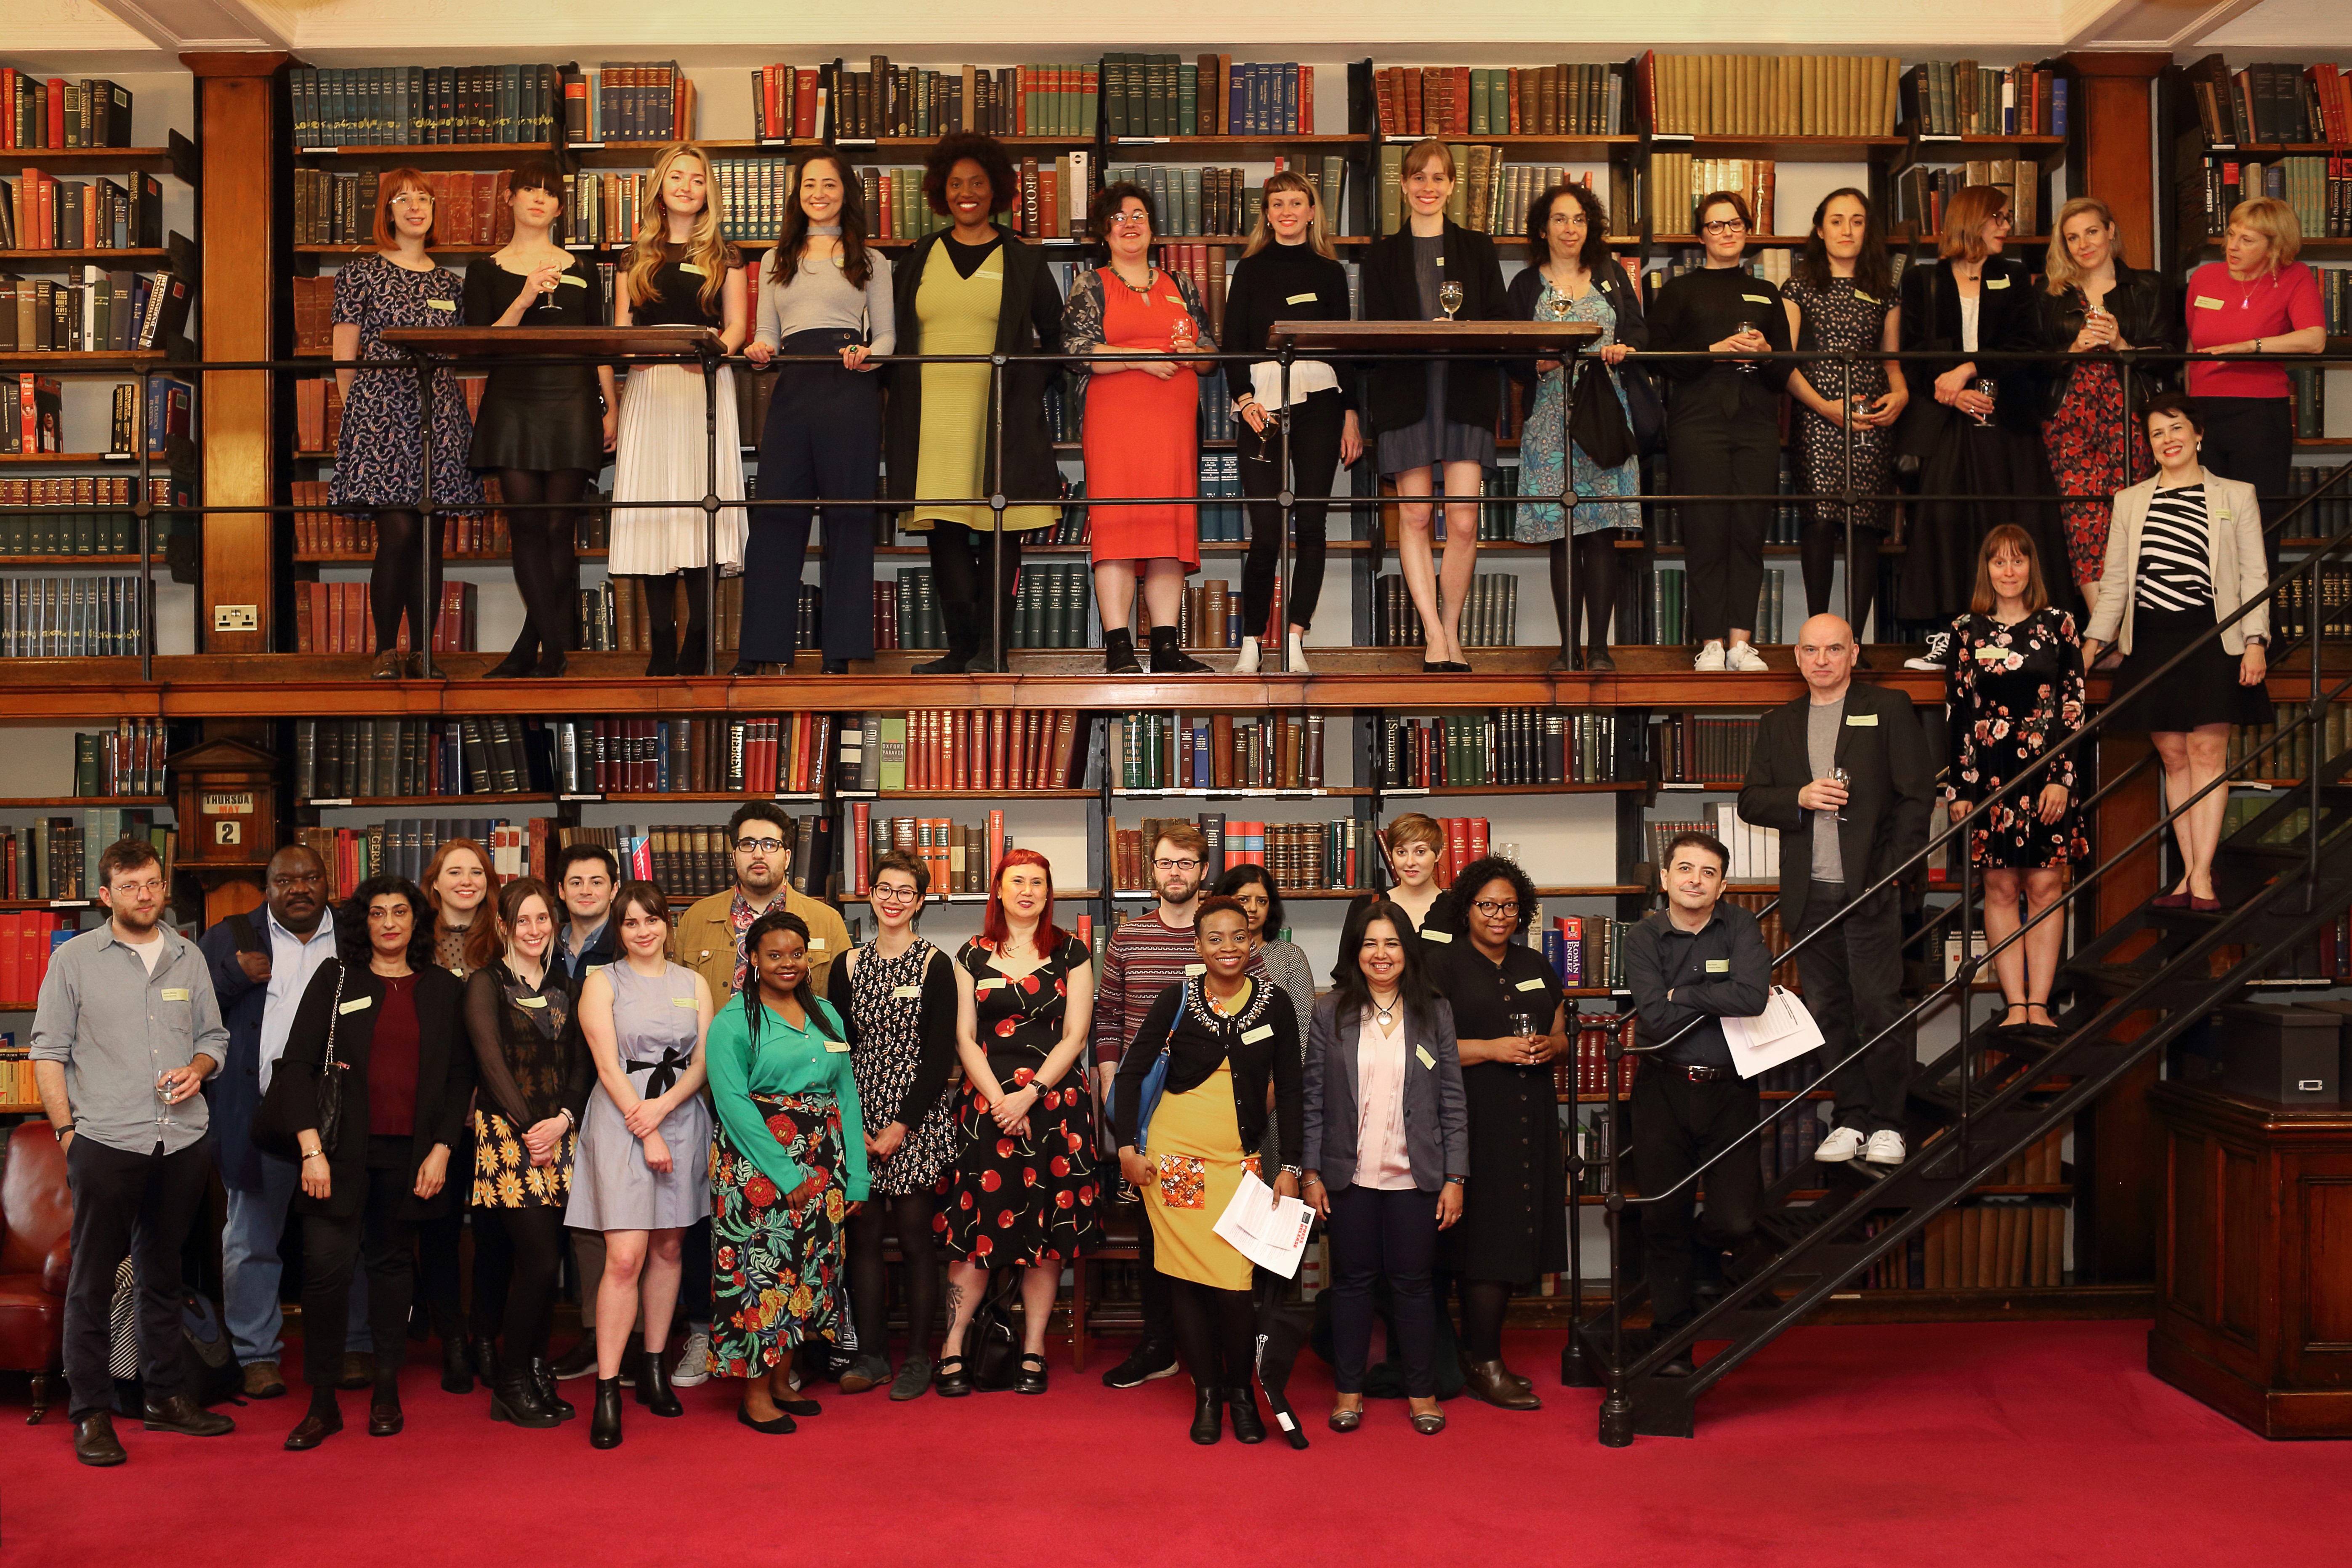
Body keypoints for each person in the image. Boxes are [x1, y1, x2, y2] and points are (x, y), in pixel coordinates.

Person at [31, 837, 235, 1467]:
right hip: (105, 1140)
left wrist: (201, 1067)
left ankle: (165, 1397)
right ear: (106, 895)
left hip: (181, 1140)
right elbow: (47, 1052)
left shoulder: (188, 956)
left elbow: (215, 1036)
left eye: (152, 884)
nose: (144, 896)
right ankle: (91, 1411)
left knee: (163, 1274)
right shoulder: (75, 962)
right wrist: (68, 1135)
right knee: (92, 1281)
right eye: (130, 887)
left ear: (162, 886)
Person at [273, 876, 472, 1450]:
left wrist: (441, 1149)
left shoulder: (442, 989)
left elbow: (460, 1078)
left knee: (391, 1271)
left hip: (409, 1157)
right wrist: (310, 1149)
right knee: (326, 1271)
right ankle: (322, 1402)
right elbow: (295, 1068)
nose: (389, 922)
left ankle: (386, 1389)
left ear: (416, 921)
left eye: (400, 912)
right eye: (378, 913)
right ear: (365, 922)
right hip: (333, 1157)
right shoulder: (336, 980)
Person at [1739, 614, 1934, 1165]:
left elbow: (1916, 798)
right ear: (1797, 657)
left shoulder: (1889, 707)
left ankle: (1889, 1123)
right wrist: (1798, 797)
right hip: (1809, 894)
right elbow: (1751, 800)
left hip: (1870, 889)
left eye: (1833, 649)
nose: (1821, 660)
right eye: (1810, 650)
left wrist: (1890, 872)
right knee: (1829, 1012)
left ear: (1853, 653)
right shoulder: (1778, 723)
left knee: (1878, 1007)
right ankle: (1850, 1118)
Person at [668, 802, 848, 1390]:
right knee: (717, 1236)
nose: (759, 854)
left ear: (789, 854)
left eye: (771, 844)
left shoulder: (826, 919)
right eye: (747, 844)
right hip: (710, 1099)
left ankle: (783, 1357)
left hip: (805, 1110)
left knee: (794, 1247)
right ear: (733, 852)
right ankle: (706, 1334)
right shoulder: (695, 920)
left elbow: (837, 1022)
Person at [1113, 896, 1303, 1445]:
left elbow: (1291, 1090)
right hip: (1173, 1164)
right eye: (1214, 938)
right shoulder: (1177, 999)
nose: (1227, 948)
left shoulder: (1276, 1005)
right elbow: (1130, 1076)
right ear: (1197, 947)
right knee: (1190, 1282)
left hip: (1238, 1165)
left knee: (1235, 1284)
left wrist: (1289, 1165)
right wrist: (1127, 1147)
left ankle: (1240, 1391)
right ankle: (1207, 1395)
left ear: (1253, 942)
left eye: (1238, 937)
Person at [884, 132, 1065, 675]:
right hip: (932, 421)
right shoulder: (918, 257)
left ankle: (993, 650)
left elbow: (1055, 338)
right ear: (942, 191)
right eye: (956, 184)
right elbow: (893, 335)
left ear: (996, 190)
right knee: (944, 534)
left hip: (998, 421)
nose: (967, 193)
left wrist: (1025, 391)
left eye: (978, 183)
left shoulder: (1023, 260)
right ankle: (961, 647)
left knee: (999, 529)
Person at [2083, 394, 2272, 910]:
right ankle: (2189, 877)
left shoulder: (2236, 494)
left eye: (2175, 428)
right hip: (2151, 639)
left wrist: (2255, 641)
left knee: (2207, 754)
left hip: (2215, 637)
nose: (2167, 440)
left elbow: (2254, 574)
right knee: (2172, 757)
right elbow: (2117, 582)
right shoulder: (2130, 500)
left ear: (2197, 434)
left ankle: (2199, 876)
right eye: (2156, 434)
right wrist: (2090, 644)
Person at [1093, 824, 1264, 1391]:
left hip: (1218, 1123)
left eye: (1186, 864)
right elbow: (1109, 1025)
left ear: (1202, 871)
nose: (1175, 873)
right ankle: (1161, 1345)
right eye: (1166, 864)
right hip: (1150, 1120)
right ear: (1152, 871)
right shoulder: (1128, 939)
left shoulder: (1230, 938)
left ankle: (1220, 1348)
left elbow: (1259, 1019)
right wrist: (1120, 1112)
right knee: (1158, 1236)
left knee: (1222, 1234)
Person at [201, 844, 373, 1400]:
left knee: (351, 1237)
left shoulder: (357, 936)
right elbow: (189, 1013)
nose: (299, 889)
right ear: (266, 886)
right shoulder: (231, 939)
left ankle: (354, 1345)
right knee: (251, 1239)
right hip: (259, 1118)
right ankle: (256, 1355)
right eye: (284, 880)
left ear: (329, 882)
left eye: (311, 878)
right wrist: (233, 976)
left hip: (343, 1116)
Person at [937, 850, 1101, 1397]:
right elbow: (964, 1037)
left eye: (1038, 882)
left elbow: (1076, 1035)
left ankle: (1033, 1347)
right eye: (1017, 882)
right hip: (985, 1110)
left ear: (1048, 891)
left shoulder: (1073, 952)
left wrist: (1028, 1095)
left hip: (1055, 1110)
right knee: (977, 1235)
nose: (1027, 890)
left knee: (1045, 1238)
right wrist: (999, 1102)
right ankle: (954, 1344)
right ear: (999, 891)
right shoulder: (970, 953)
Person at [1300, 898, 1465, 1436]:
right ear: (1355, 950)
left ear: (1406, 950)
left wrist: (1455, 1177)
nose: (1381, 953)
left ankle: (1422, 1393)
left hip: (1416, 1176)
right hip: (1348, 1176)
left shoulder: (1433, 1010)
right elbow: (1313, 1098)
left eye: (1391, 942)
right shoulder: (1331, 1011)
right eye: (1370, 943)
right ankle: (1348, 1391)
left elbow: (1451, 1099)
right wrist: (1310, 1171)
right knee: (1351, 1283)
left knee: (1414, 1286)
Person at [705, 910, 868, 1432]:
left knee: (807, 1272)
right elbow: (732, 1103)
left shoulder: (826, 1014)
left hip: (823, 1161)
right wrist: (784, 1174)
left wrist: (857, 1175)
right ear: (752, 959)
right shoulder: (733, 1019)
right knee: (762, 1275)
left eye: (796, 953)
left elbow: (847, 1096)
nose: (787, 963)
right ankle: (753, 1395)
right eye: (774, 954)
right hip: (757, 1169)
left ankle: (781, 1380)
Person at [565, 881, 712, 1448]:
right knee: (624, 1258)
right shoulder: (601, 982)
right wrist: (645, 1124)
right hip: (622, 1119)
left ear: (666, 924)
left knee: (669, 1248)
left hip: (680, 1113)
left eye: (652, 920)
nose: (644, 930)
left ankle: (655, 1367)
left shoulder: (693, 982)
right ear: (619, 931)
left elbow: (702, 1061)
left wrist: (667, 1110)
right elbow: (605, 1065)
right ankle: (607, 1387)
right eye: (631, 923)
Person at [1895, 184, 2069, 661]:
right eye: (1999, 218)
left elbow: (2027, 348)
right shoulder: (1922, 281)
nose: (2006, 227)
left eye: (2007, 219)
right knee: (1945, 522)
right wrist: (1950, 390)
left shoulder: (2013, 276)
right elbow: (1909, 351)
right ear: (1973, 219)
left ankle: (2017, 633)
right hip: (1945, 421)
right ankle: (1948, 636)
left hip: (2006, 420)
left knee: (2011, 524)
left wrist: (1969, 369)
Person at [1620, 831, 1773, 1375]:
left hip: (1730, 1089)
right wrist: (1713, 993)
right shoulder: (1641, 937)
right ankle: (1672, 1343)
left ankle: (1708, 1254)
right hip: (1662, 1090)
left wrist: (1679, 994)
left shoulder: (1742, 926)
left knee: (1736, 1219)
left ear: (1722, 885)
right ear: (1665, 879)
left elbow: (1752, 996)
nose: (1694, 879)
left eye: (1708, 872)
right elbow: (1654, 1023)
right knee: (1664, 1219)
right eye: (1684, 868)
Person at [740, 149, 894, 676]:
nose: (819, 193)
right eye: (809, 184)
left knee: (848, 517)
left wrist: (871, 355)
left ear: (845, 192)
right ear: (797, 194)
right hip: (792, 386)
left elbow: (889, 335)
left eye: (829, 183)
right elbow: (765, 331)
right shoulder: (773, 259)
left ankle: (840, 654)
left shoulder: (870, 258)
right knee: (775, 516)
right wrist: (759, 350)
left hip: (848, 383)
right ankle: (762, 651)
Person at [464, 157, 619, 680]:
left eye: (548, 193)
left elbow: (598, 342)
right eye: (528, 189)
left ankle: (538, 647)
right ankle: (551, 648)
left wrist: (610, 404)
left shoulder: (583, 267)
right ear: (508, 199)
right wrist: (526, 295)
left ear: (559, 206)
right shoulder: (484, 268)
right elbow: (481, 345)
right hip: (512, 401)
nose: (538, 199)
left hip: (572, 401)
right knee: (527, 525)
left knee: (560, 526)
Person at [331, 167, 486, 681]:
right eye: (403, 199)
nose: (415, 206)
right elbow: (344, 356)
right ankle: (383, 650)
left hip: (438, 415)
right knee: (396, 533)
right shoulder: (360, 273)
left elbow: (464, 350)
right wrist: (361, 422)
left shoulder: (449, 282)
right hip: (378, 416)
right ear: (387, 212)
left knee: (429, 537)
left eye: (424, 197)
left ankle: (423, 651)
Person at [1423, 854, 1566, 1410]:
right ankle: (1481, 1360)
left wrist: (1547, 1047)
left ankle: (1479, 1353)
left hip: (1530, 1113)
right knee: (1485, 1239)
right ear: (1468, 909)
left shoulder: (1535, 962)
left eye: (1509, 905)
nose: (1499, 915)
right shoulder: (1441, 966)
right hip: (1470, 1117)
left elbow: (1562, 1033)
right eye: (1488, 905)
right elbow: (1424, 1051)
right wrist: (1493, 1049)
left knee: (1515, 1231)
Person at [1361, 138, 1509, 672]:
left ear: (1452, 186)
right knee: (1417, 514)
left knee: (1465, 521)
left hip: (1464, 389)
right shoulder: (1381, 256)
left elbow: (1497, 318)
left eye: (1438, 178)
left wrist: (1466, 328)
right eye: (1418, 177)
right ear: (1402, 185)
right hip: (1406, 390)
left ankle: (1453, 627)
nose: (1428, 187)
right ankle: (1432, 634)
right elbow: (1374, 332)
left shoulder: (1478, 247)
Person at [1064, 181, 1219, 675]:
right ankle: (1118, 646)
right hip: (1116, 427)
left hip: (1172, 429)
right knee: (1117, 529)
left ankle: (1167, 647)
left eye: (1139, 215)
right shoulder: (1091, 284)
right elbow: (1073, 350)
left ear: (1152, 228)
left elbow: (1213, 352)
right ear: (1104, 231)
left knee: (1168, 530)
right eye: (1118, 217)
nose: (1130, 223)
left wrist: (1197, 354)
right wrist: (1138, 359)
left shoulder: (1181, 284)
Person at [610, 141, 750, 678]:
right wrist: (632, 353)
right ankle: (662, 644)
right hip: (650, 388)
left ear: (706, 190)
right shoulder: (633, 256)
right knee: (654, 510)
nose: (686, 186)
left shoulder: (725, 254)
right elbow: (623, 330)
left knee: (700, 507)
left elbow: (737, 325)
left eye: (696, 178)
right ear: (660, 189)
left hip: (703, 387)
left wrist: (715, 355)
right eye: (676, 177)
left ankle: (700, 640)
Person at [1943, 527, 2091, 1034]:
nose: (2008, 571)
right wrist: (1959, 789)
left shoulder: (2060, 624)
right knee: (2000, 886)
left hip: (2047, 771)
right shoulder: (1965, 629)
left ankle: (2040, 1003)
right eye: (1998, 562)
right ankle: (2013, 1005)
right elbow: (1959, 713)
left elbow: (2073, 706)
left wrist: (2062, 779)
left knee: (2047, 884)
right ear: (1986, 569)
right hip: (1988, 773)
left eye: (2018, 560)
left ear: (2032, 567)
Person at [830, 850, 963, 1401]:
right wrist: (852, 1121)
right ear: (870, 894)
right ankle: (872, 1353)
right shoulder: (847, 964)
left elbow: (939, 1057)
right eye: (884, 888)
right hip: (856, 1112)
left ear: (921, 901)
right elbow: (838, 1046)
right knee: (861, 1238)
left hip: (918, 1116)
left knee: (913, 1240)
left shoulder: (938, 964)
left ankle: (916, 1360)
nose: (892, 899)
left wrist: (900, 1126)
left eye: (905, 891)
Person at [1220, 168, 1362, 675]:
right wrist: (1243, 397)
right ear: (1266, 214)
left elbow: (1345, 345)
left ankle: (1297, 639)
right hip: (1260, 404)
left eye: (1295, 203)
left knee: (1312, 526)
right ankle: (1252, 641)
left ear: (1310, 211)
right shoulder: (1249, 269)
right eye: (1276, 204)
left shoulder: (1329, 271)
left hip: (1322, 401)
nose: (1285, 212)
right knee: (1264, 532)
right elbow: (1231, 343)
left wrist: (1351, 413)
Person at [463, 876, 590, 1427]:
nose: (535, 930)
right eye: (524, 921)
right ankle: (511, 1382)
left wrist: (562, 1119)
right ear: (504, 927)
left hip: (560, 1137)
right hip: (508, 1139)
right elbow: (489, 1063)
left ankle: (536, 1372)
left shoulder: (565, 984)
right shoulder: (486, 984)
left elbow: (581, 1062)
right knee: (536, 1261)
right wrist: (531, 1125)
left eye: (544, 919)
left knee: (553, 1260)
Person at [1506, 181, 1645, 671]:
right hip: (1550, 422)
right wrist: (1536, 365)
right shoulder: (1524, 285)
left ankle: (1601, 650)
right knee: (1565, 533)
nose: (1570, 228)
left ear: (1591, 228)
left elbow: (1637, 332)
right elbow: (1507, 354)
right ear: (1543, 229)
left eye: (1579, 219)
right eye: (1560, 219)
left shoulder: (1609, 276)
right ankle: (1568, 649)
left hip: (1605, 414)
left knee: (1601, 533)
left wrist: (1623, 348)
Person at [1648, 190, 1788, 673]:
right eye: (1715, 225)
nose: (1727, 233)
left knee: (1749, 531)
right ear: (1699, 235)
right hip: (1697, 422)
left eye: (1734, 224)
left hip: (1755, 422)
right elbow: (1659, 358)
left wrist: (1767, 351)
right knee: (1705, 531)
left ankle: (1740, 644)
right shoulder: (1678, 292)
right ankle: (1709, 642)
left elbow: (1781, 374)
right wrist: (1714, 348)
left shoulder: (1768, 293)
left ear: (1746, 231)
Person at [2034, 197, 2171, 616]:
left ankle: (2132, 625)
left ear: (2110, 231)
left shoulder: (2148, 287)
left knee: (2130, 517)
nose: (2083, 244)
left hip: (2127, 410)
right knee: (2082, 520)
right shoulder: (2050, 294)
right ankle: (2103, 627)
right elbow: (2033, 362)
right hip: (2069, 414)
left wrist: (2120, 345)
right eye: (2071, 238)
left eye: (2091, 232)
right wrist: (2072, 348)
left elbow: (2168, 355)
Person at [1782, 188, 1908, 643]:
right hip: (1817, 416)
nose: (1846, 230)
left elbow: (1891, 361)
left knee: (1866, 526)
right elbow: (1785, 362)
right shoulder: (1798, 285)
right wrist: (1822, 407)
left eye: (1856, 221)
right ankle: (1819, 636)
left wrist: (1900, 394)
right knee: (1817, 522)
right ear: (1819, 229)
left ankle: (1853, 643)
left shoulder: (1884, 290)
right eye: (1836, 220)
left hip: (1871, 419)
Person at [2182, 196, 2325, 572]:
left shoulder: (2295, 277)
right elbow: (2190, 346)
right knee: (2205, 527)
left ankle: (2261, 628)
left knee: (2257, 527)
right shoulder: (2203, 277)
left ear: (2274, 245)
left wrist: (2253, 347)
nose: (2232, 246)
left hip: (2260, 415)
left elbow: (2314, 339)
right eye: (2231, 235)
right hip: (2203, 415)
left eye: (2247, 240)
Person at [418, 836, 496, 1385]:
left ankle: (488, 1338)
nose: (466, 880)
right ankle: (451, 1340)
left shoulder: (505, 939)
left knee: (495, 1229)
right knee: (438, 1228)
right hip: (431, 1108)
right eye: (455, 871)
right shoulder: (412, 942)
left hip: (495, 1109)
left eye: (477, 871)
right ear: (436, 881)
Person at [545, 839, 620, 1383]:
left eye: (597, 882)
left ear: (614, 889)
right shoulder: (541, 944)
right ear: (561, 891)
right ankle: (592, 1336)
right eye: (577, 882)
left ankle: (631, 1340)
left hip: (612, 1102)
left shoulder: (629, 942)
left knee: (617, 1224)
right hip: (546, 1105)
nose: (587, 891)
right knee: (576, 1228)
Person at [1341, 811, 1458, 967]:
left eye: (1420, 852)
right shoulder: (1364, 907)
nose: (1410, 862)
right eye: (1402, 852)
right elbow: (1345, 975)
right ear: (1392, 855)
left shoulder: (1458, 911)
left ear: (1438, 854)